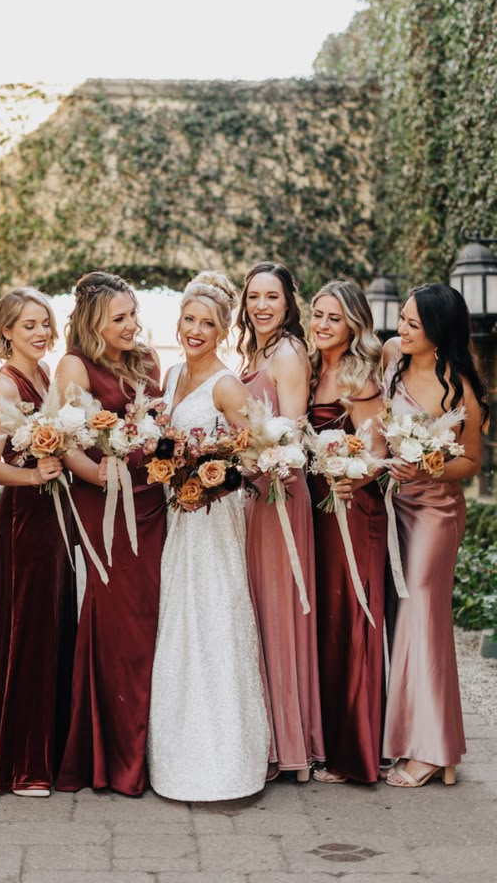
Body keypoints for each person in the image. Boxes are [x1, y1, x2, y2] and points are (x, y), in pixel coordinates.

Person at [147, 271, 270, 801]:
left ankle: (226, 762)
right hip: (176, 517)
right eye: (189, 319)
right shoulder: (171, 373)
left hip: (213, 518)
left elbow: (255, 454)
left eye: (207, 323)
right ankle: (173, 758)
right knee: (177, 620)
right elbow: (162, 446)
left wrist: (207, 473)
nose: (195, 329)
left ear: (222, 331)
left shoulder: (225, 384)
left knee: (214, 618)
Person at [54, 271, 166, 797]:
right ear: (96, 321)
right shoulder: (74, 365)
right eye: (119, 317)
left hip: (151, 499)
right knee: (118, 620)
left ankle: (151, 749)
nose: (131, 325)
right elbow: (65, 439)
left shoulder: (146, 361)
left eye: (133, 314)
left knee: (152, 619)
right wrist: (94, 472)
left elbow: (160, 427)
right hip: (103, 503)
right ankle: (111, 757)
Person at [382, 284, 487, 788]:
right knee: (400, 614)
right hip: (390, 507)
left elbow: (470, 461)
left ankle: (432, 748)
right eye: (401, 320)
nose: (401, 330)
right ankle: (406, 737)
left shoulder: (460, 387)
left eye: (412, 325)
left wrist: (428, 466)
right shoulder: (391, 363)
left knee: (424, 610)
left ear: (437, 332)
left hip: (435, 512)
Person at [236, 262, 324, 782]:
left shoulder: (289, 353)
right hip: (256, 492)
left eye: (272, 297)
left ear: (290, 302)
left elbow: (291, 432)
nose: (262, 306)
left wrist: (257, 459)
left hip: (279, 493)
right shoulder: (256, 352)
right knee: (261, 609)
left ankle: (289, 745)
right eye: (254, 297)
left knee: (279, 612)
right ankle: (269, 735)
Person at [0, 287, 75, 796]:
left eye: (44, 323)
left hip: (55, 516)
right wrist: (36, 478)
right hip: (26, 520)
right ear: (6, 331)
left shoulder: (46, 374)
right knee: (30, 634)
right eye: (28, 325)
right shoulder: (6, 383)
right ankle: (24, 763)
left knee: (54, 626)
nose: (40, 332)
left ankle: (53, 748)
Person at [307, 279, 388, 784]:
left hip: (350, 506)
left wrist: (351, 476)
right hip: (315, 508)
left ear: (354, 324)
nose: (321, 324)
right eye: (317, 313)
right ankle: (327, 739)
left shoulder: (360, 375)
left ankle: (354, 750)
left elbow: (378, 451)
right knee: (326, 619)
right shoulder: (313, 369)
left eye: (334, 318)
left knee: (351, 617)